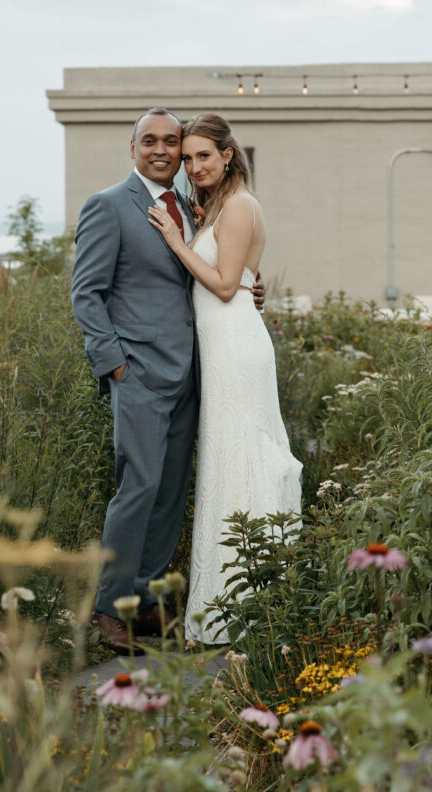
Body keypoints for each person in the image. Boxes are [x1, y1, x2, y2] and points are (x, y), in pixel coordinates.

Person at [71, 108, 262, 655]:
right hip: (139, 372)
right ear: (131, 147)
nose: (161, 149)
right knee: (138, 489)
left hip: (196, 372)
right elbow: (86, 293)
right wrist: (115, 365)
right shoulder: (109, 206)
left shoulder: (192, 206)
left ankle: (150, 599)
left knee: (171, 492)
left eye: (171, 141)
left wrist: (251, 289)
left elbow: (210, 277)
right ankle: (111, 607)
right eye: (149, 140)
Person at [148, 113, 302, 644]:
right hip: (223, 345)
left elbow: (224, 283)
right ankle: (231, 603)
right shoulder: (216, 207)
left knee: (244, 455)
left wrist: (174, 239)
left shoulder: (238, 205)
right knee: (226, 459)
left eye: (202, 156)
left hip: (235, 347)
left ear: (228, 155)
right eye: (187, 159)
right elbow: (243, 281)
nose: (192, 166)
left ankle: (252, 603)